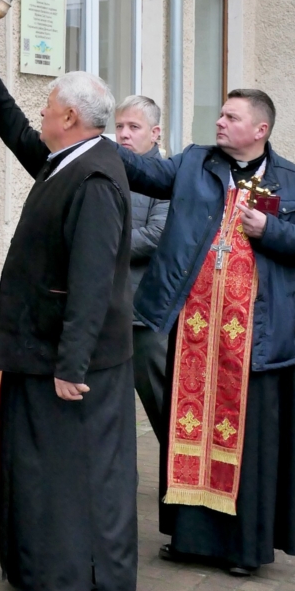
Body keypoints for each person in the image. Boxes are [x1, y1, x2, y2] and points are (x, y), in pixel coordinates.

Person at [117, 90, 295, 576]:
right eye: (220, 114)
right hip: (196, 335)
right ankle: (190, 541)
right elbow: (144, 172)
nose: (218, 122)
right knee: (187, 432)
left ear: (260, 130)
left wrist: (272, 231)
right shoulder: (194, 164)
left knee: (249, 445)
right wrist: (93, 136)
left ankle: (243, 550)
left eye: (231, 116)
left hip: (256, 341)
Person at [0, 30, 137, 591]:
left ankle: (80, 590)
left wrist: (73, 363)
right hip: (39, 351)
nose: (39, 115)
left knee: (76, 478)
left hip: (70, 363)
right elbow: (22, 139)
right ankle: (38, 574)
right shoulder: (71, 158)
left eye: (45, 107)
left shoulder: (92, 178)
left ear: (68, 116)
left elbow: (94, 284)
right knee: (39, 470)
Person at [115, 96, 169, 443]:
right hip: (107, 308)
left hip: (145, 313)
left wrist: (101, 244)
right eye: (119, 126)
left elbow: (156, 235)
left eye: (133, 127)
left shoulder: (166, 177)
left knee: (162, 405)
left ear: (156, 133)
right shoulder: (110, 168)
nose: (123, 134)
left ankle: (183, 479)